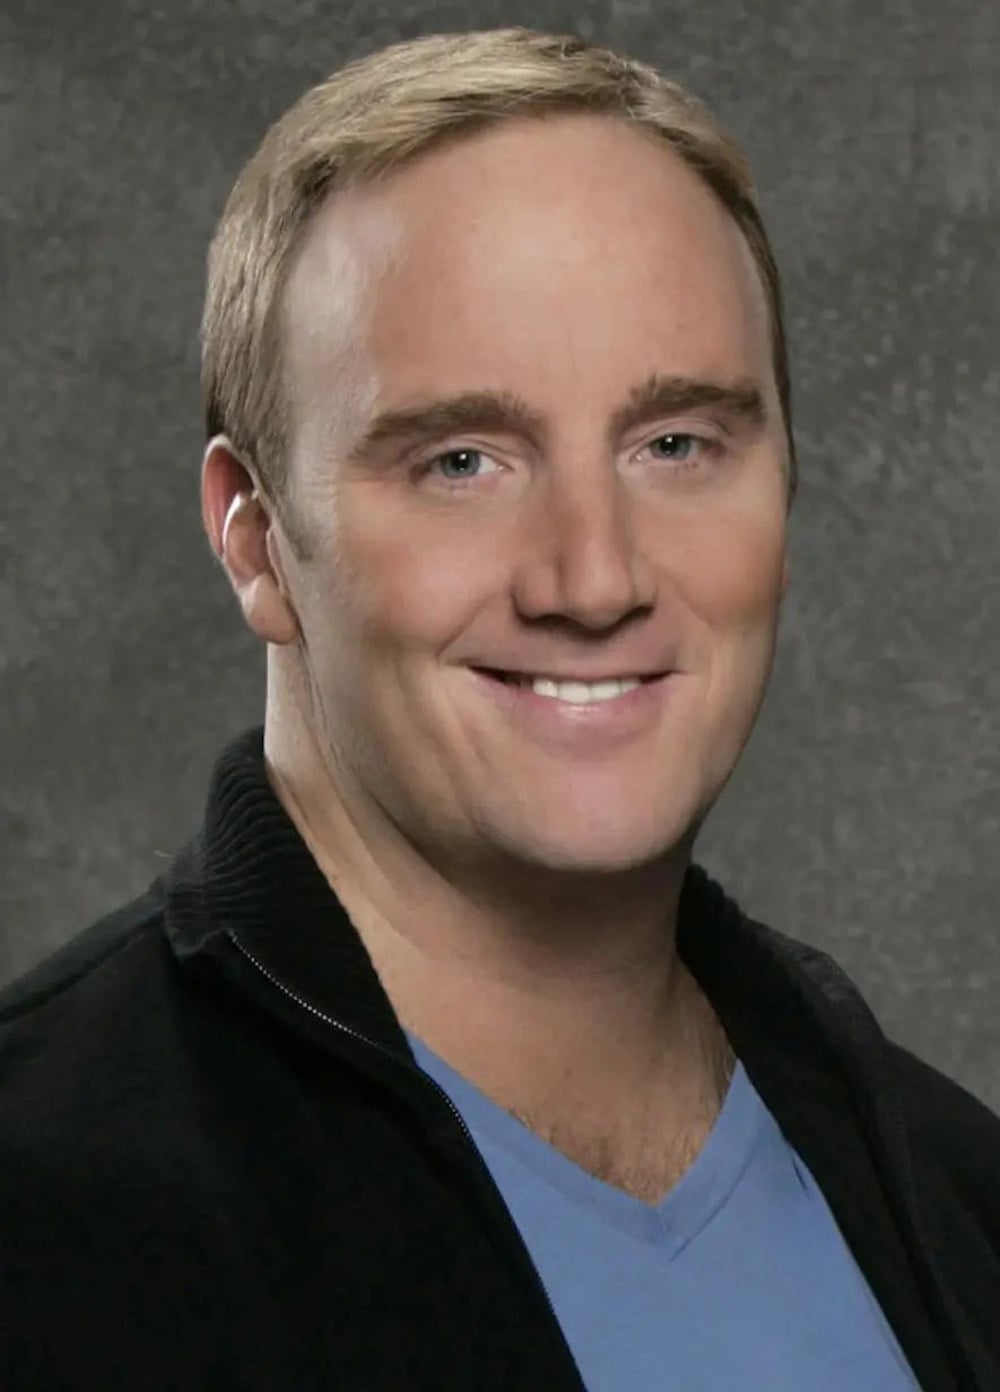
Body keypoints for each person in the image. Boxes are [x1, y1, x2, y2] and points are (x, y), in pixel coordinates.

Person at [1, 25, 997, 1392]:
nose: (593, 576)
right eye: (461, 459)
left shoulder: (954, 1195)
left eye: (676, 444)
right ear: (252, 535)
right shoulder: (44, 1220)